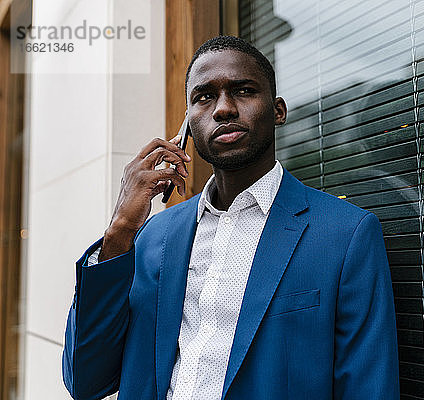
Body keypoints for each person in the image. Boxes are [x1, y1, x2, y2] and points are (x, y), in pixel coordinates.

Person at [62, 35, 399, 400]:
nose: (223, 109)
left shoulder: (345, 234)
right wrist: (121, 231)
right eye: (204, 97)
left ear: (278, 111)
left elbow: (369, 387)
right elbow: (86, 381)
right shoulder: (152, 237)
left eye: (243, 90)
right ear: (187, 125)